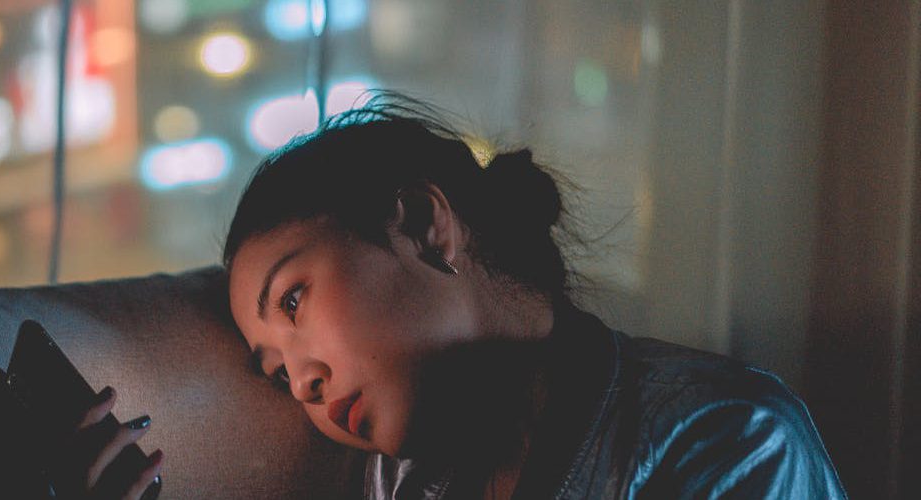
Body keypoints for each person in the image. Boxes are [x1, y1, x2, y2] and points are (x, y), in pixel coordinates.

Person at [215, 94, 847, 499]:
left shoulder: (732, 437)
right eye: (276, 373)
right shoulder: (398, 481)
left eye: (293, 301)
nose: (302, 386)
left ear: (422, 223)